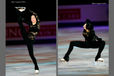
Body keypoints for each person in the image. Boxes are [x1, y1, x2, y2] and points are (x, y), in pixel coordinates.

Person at [15, 7, 40, 73]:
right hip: (26, 36)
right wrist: (22, 17)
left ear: (35, 18)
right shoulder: (30, 23)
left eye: (33, 18)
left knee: (31, 55)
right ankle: (18, 11)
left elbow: (36, 14)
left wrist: (28, 10)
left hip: (31, 40)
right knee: (20, 23)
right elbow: (24, 21)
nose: (32, 19)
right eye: (31, 18)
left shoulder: (37, 24)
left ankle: (36, 67)